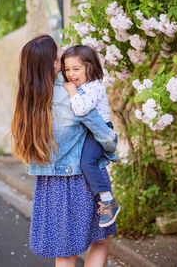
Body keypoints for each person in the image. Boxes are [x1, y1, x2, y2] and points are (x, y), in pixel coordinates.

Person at [11, 35, 118, 267]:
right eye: (58, 52)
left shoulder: (28, 99)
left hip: (49, 185)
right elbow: (105, 135)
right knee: (99, 240)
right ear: (53, 62)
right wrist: (111, 150)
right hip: (82, 180)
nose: (62, 53)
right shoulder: (72, 94)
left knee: (64, 253)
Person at [61, 45, 120, 228]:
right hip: (89, 131)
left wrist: (71, 92)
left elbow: (80, 110)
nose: (70, 74)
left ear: (90, 68)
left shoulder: (94, 87)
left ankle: (108, 201)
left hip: (99, 131)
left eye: (76, 69)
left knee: (87, 162)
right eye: (67, 69)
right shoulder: (82, 86)